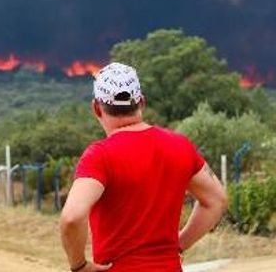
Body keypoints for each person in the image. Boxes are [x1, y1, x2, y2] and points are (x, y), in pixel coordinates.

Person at [59, 62, 228, 272]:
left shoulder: (100, 156)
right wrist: (178, 245)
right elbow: (217, 200)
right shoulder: (180, 146)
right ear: (141, 102)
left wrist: (79, 265)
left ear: (96, 108)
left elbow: (72, 217)